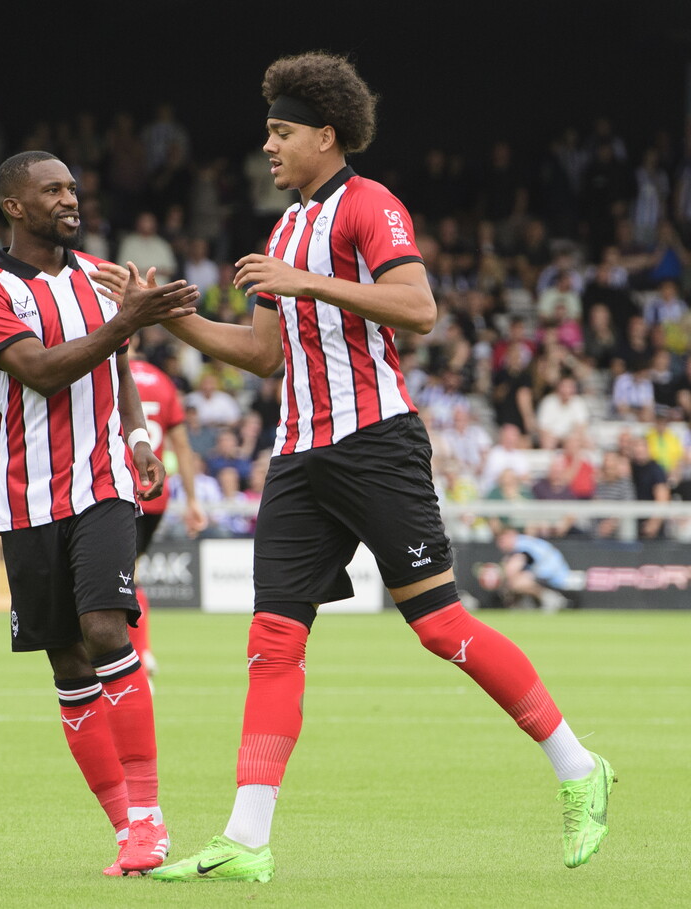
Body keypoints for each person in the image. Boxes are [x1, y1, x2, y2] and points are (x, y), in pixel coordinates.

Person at [149, 52, 614, 883]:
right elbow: (261, 356)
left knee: (440, 627)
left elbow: (420, 308)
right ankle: (246, 839)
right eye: (268, 131)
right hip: (297, 455)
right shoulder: (284, 231)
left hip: (375, 443)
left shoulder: (370, 205)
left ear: (326, 135)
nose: (268, 146)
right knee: (272, 643)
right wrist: (167, 320)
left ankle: (580, 768)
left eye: (282, 131)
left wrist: (308, 282)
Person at [0, 150, 199, 877]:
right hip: (29, 499)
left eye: (72, 187)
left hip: (104, 483)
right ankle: (125, 827)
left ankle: (151, 817)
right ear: (15, 206)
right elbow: (42, 369)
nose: (71, 197)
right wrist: (126, 317)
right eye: (52, 189)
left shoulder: (99, 275)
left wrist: (140, 434)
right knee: (66, 661)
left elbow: (119, 361)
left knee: (102, 628)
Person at [127, 337, 207, 679]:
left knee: (122, 577)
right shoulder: (162, 381)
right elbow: (182, 446)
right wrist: (191, 499)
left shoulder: (106, 374)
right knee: (131, 571)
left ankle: (138, 653)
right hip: (157, 494)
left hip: (118, 490)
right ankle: (139, 651)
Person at [493, 527, 581, 612]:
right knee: (518, 579)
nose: (500, 545)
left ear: (511, 536)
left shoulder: (521, 545)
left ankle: (552, 599)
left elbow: (511, 571)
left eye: (502, 541)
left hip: (554, 574)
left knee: (516, 582)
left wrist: (497, 575)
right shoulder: (524, 541)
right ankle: (525, 604)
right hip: (551, 571)